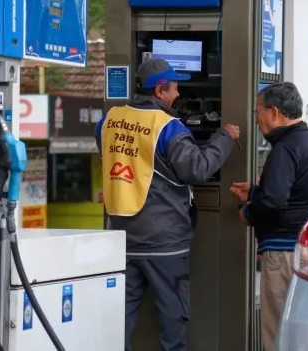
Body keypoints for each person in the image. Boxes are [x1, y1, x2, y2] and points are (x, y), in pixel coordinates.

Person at [95, 58, 240, 351]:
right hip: (164, 241)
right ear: (160, 90)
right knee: (173, 317)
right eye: (174, 89)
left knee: (118, 319)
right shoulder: (167, 127)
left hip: (121, 236)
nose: (178, 95)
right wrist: (225, 136)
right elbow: (197, 168)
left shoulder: (108, 120)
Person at [230, 82, 308, 351]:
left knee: (276, 335)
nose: (256, 120)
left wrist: (249, 213)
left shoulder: (284, 148)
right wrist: (255, 191)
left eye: (257, 112)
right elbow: (298, 194)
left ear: (274, 113)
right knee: (300, 335)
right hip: (305, 252)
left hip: (282, 254)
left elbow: (274, 202)